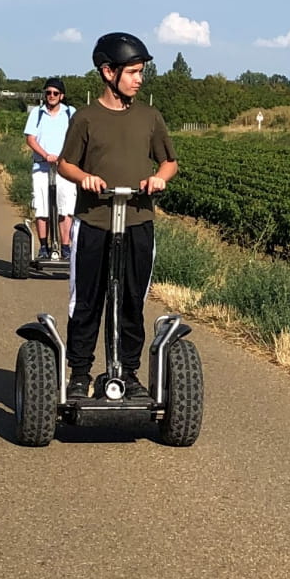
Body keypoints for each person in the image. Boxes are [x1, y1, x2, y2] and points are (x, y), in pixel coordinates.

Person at [55, 32, 178, 399]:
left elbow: (170, 162)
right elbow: (65, 164)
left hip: (138, 221)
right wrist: (85, 177)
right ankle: (79, 375)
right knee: (87, 301)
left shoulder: (150, 117)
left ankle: (129, 373)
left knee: (130, 301)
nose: (139, 79)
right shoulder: (86, 118)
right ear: (109, 72)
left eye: (141, 72)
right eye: (134, 72)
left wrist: (158, 179)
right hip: (94, 221)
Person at [23, 77, 77, 261]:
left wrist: (62, 157)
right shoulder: (37, 113)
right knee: (42, 207)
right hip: (41, 166)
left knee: (66, 208)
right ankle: (44, 247)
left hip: (65, 167)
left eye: (55, 93)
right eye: (48, 93)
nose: (51, 96)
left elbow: (77, 139)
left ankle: (65, 247)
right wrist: (46, 155)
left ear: (61, 96)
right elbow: (30, 139)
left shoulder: (71, 113)